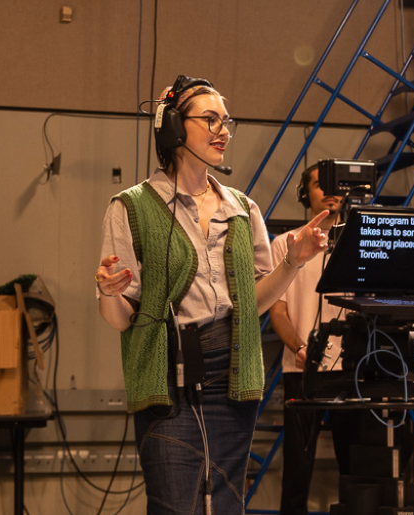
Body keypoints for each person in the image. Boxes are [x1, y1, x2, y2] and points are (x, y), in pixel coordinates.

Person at [94, 75, 330, 515]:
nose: (223, 130)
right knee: (174, 505)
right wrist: (109, 292)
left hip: (233, 372)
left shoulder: (242, 209)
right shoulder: (131, 207)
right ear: (173, 129)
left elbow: (254, 303)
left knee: (226, 503)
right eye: (210, 119)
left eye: (226, 121)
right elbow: (121, 318)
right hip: (168, 371)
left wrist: (292, 262)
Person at [269, 163, 357, 515]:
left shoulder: (358, 243)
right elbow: (277, 311)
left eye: (336, 185)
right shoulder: (283, 245)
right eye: (321, 185)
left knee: (354, 469)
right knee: (297, 470)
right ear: (307, 194)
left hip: (351, 370)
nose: (330, 191)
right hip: (301, 369)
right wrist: (299, 348)